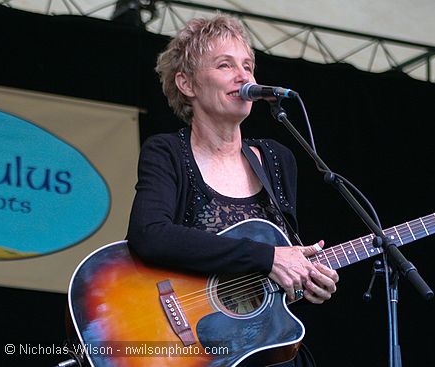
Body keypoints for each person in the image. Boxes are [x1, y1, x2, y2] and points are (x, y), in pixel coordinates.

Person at [126, 14, 339, 366]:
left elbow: (270, 280)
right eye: (225, 65)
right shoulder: (167, 152)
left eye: (248, 66)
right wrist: (266, 257)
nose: (244, 77)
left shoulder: (276, 159)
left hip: (261, 353)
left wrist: (306, 281)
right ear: (187, 84)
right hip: (192, 351)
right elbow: (150, 235)